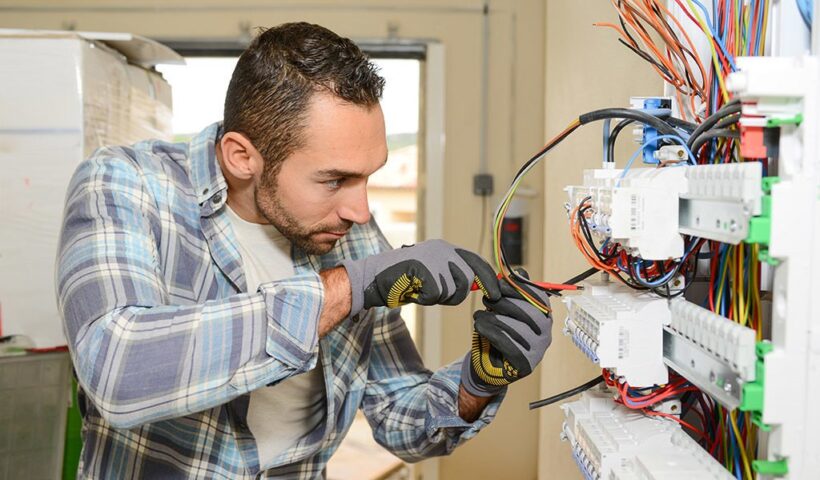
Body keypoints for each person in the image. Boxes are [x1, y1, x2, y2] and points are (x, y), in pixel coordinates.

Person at [56, 22, 552, 479]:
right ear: (241, 156)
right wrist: (344, 289)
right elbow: (116, 370)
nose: (360, 210)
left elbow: (401, 419)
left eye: (367, 176)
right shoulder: (126, 185)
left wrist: (480, 379)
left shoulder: (345, 230)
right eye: (335, 179)